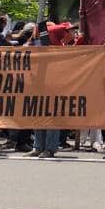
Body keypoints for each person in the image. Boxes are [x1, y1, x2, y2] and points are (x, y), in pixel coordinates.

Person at [25, 22, 76, 158]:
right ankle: (39, 147)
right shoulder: (43, 46)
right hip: (39, 84)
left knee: (51, 116)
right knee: (38, 115)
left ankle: (49, 148)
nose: (73, 34)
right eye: (69, 31)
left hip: (53, 86)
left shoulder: (57, 47)